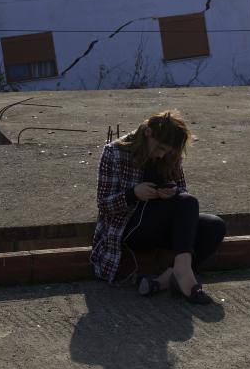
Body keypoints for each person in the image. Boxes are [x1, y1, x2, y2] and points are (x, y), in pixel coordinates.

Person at [90, 110, 226, 304]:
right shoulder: (115, 152)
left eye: (167, 151)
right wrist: (133, 194)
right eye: (160, 147)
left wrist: (172, 192)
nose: (162, 154)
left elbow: (182, 192)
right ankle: (185, 277)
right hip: (128, 227)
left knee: (214, 225)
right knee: (188, 202)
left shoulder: (170, 155)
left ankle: (164, 280)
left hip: (161, 226)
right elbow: (104, 205)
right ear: (148, 134)